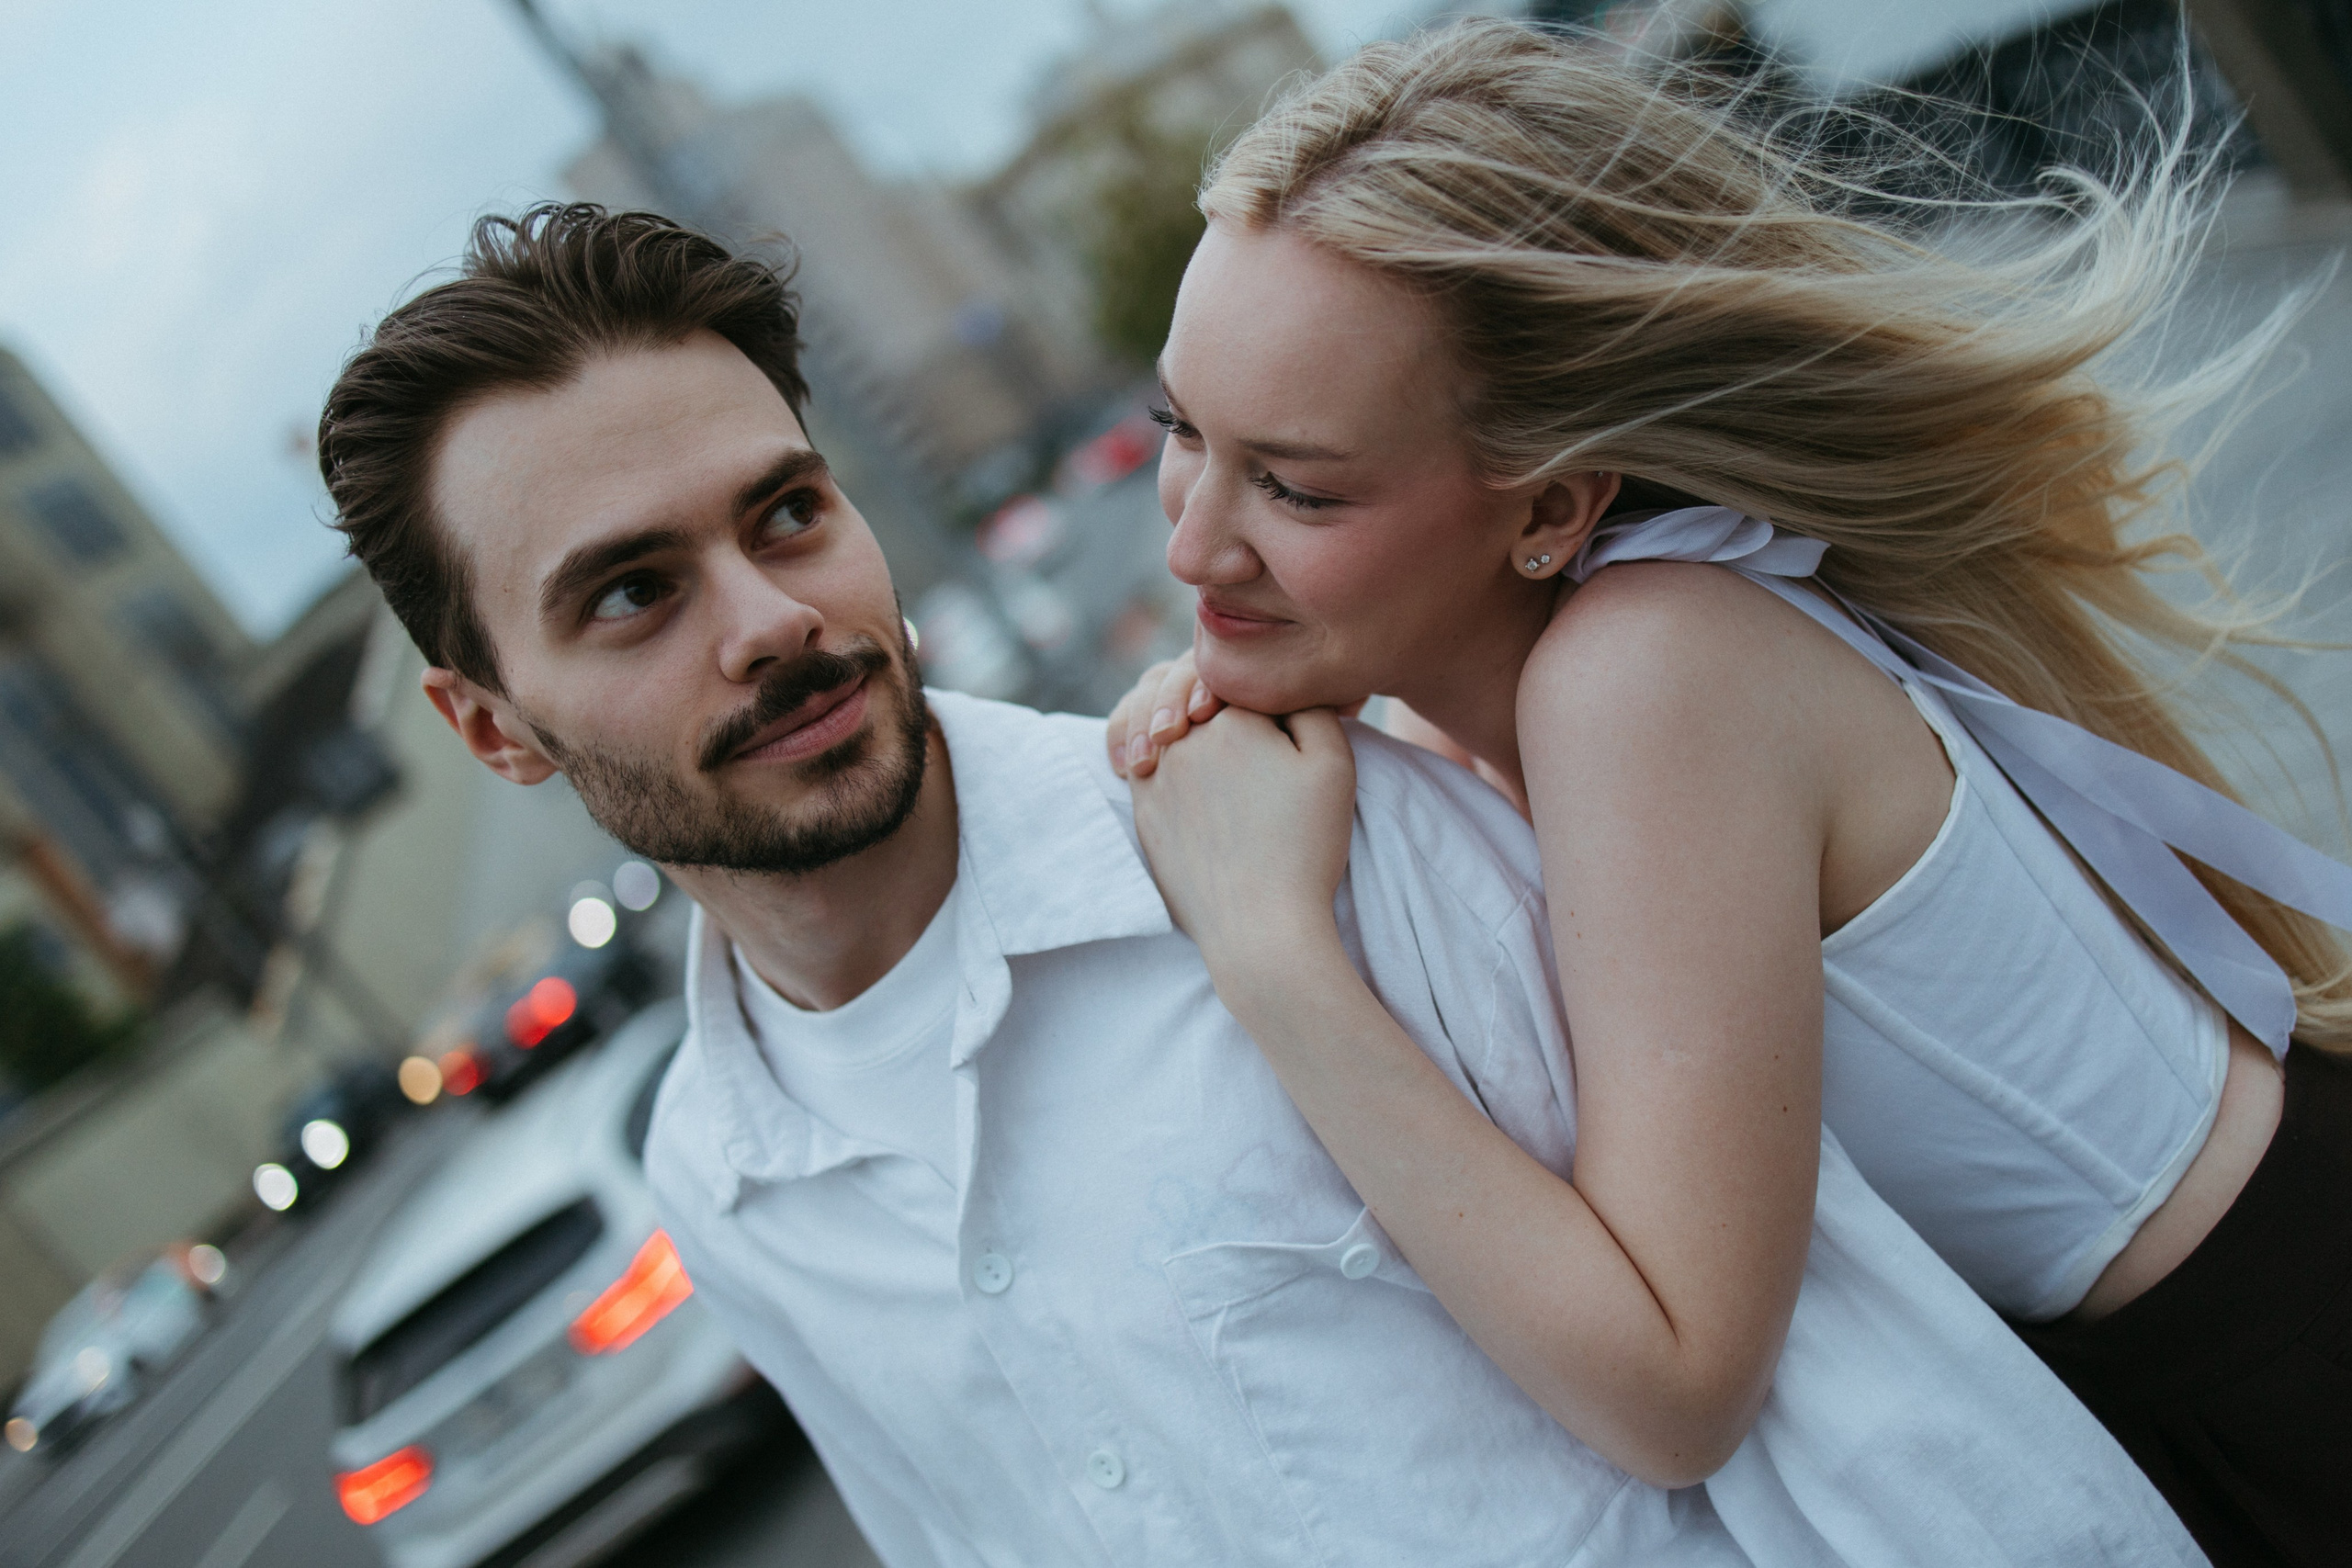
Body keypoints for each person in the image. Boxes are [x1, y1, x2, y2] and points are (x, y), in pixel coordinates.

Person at [311, 203, 2203, 1567]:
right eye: (633, 590)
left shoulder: (1330, 842)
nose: (774, 621)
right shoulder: (723, 1185)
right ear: (491, 724)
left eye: (786, 511)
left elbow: (1854, 1397)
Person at [1106, 19, 2352, 1567]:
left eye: (1294, 485)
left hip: (2282, 1361)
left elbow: (1678, 1383)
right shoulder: (1568, 684)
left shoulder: (1645, 674)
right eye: (1179, 433)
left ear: (1554, 507)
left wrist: (1270, 951)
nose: (1188, 543)